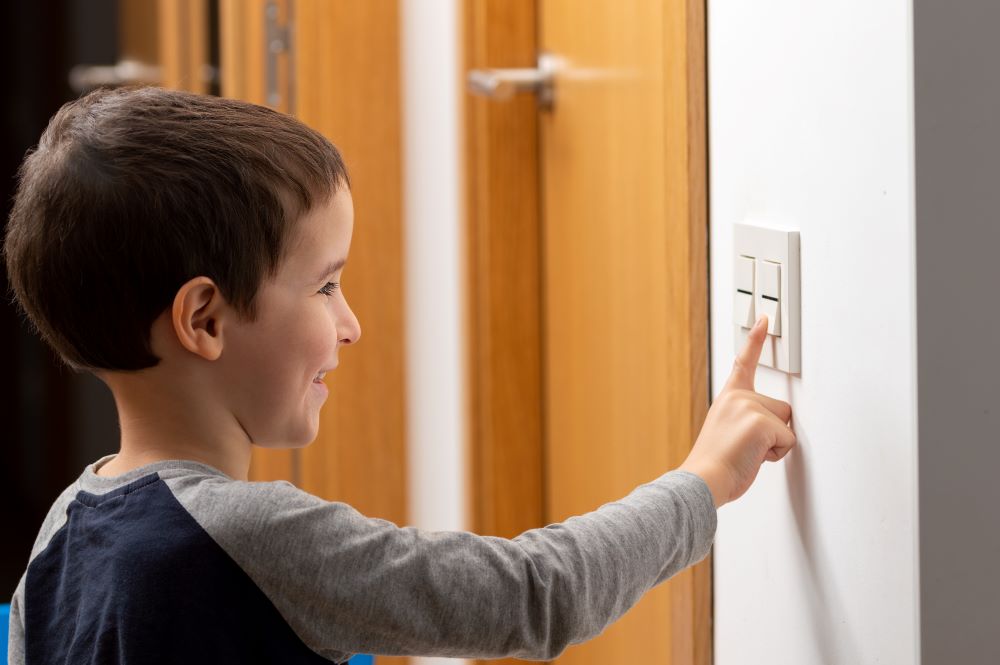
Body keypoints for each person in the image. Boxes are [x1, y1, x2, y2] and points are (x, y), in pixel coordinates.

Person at [4, 86, 796, 664]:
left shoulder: (60, 537)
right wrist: (703, 481)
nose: (350, 324)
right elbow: (534, 593)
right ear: (205, 319)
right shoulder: (251, 538)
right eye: (325, 286)